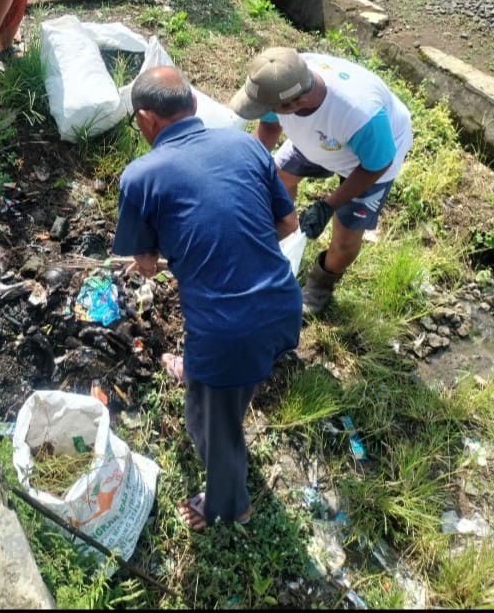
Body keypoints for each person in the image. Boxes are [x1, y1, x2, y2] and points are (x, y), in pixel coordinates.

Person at [112, 66, 302, 531]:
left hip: (227, 333)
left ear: (144, 120)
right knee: (229, 382)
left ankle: (228, 505)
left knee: (210, 425)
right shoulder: (246, 146)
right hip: (282, 304)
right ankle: (205, 374)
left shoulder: (140, 176)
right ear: (194, 106)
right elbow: (288, 225)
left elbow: (147, 262)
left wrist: (165, 257)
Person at [229, 47, 413, 318]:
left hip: (368, 162)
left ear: (295, 103)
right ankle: (287, 231)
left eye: (270, 109)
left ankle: (320, 284)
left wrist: (328, 205)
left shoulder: (359, 114)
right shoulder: (282, 76)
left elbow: (377, 164)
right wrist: (251, 169)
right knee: (278, 177)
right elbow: (269, 125)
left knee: (345, 237)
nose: (267, 113)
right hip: (319, 141)